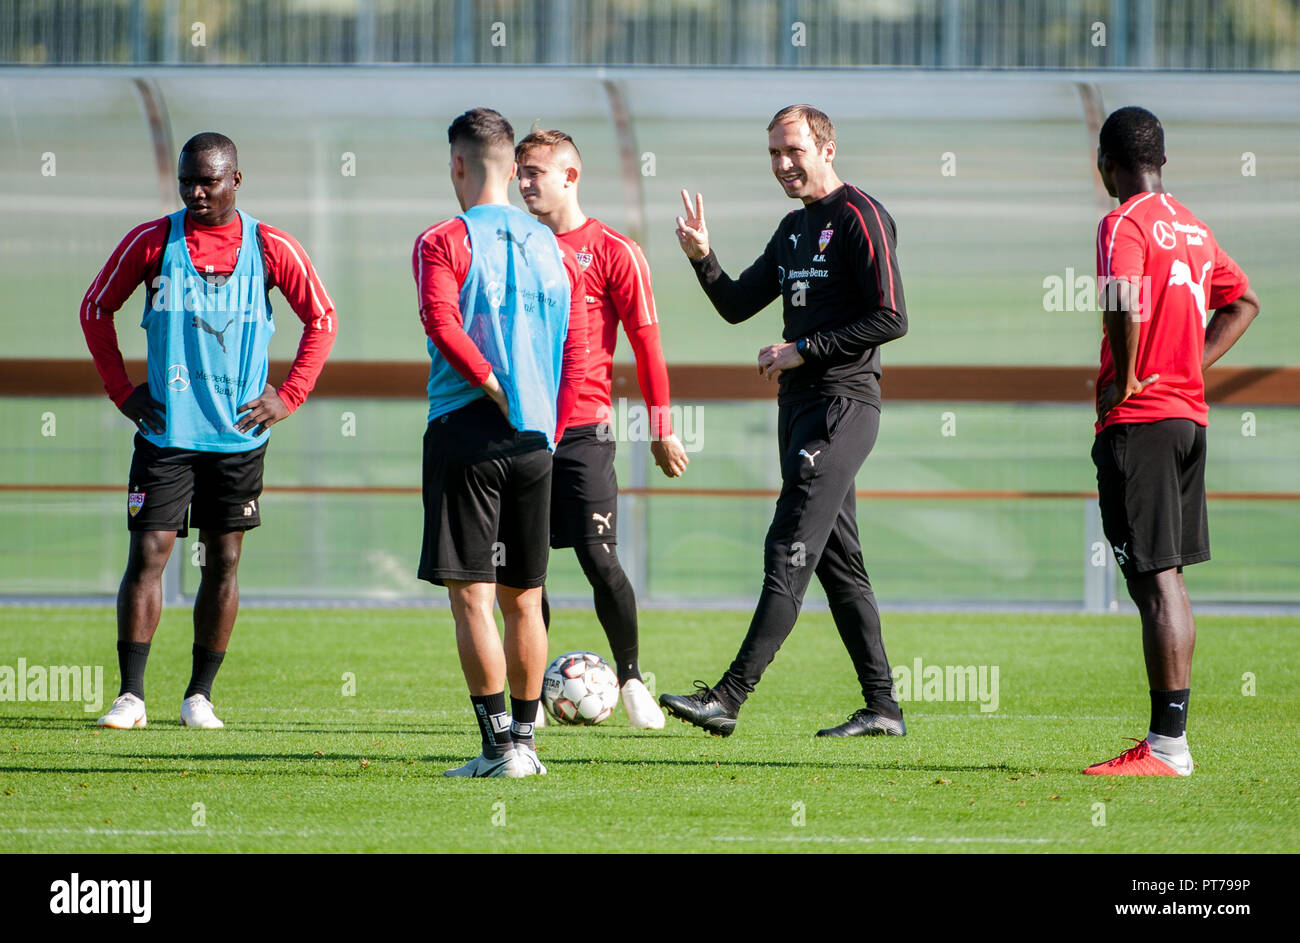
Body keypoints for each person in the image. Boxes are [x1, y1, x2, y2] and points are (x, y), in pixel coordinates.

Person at [660, 104, 907, 738]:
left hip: (842, 404)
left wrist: (805, 349)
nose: (782, 164)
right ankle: (882, 707)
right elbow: (739, 305)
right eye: (773, 153)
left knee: (789, 543)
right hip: (798, 407)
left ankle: (730, 696)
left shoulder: (861, 217)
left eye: (793, 150)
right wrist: (703, 257)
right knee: (837, 560)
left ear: (827, 147)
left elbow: (891, 318)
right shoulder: (794, 229)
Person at [81, 132, 337, 730]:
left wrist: (289, 396)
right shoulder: (151, 241)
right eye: (187, 181)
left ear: (236, 182)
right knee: (149, 553)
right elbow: (96, 307)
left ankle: (200, 695)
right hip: (167, 434)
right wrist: (122, 391)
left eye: (209, 182)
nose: (196, 192)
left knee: (222, 560)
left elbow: (321, 318)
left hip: (238, 438)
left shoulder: (270, 246)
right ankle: (132, 695)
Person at [1084, 106, 1259, 776]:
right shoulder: (1192, 225)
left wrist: (1127, 380)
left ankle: (1167, 747)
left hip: (1145, 421)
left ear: (1109, 163)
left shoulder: (1123, 221)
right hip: (1188, 417)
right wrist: (1189, 361)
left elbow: (1123, 297)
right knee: (1168, 578)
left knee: (1155, 580)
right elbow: (1242, 302)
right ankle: (1169, 740)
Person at [414, 108, 588, 777]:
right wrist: (551, 424)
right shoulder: (552, 244)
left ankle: (497, 748)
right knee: (524, 598)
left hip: (468, 432)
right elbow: (576, 352)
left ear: (458, 165)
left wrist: (490, 381)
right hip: (538, 440)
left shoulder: (442, 239)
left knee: (472, 597)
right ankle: (526, 742)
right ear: (513, 167)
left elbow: (440, 320)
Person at [515, 128, 689, 729]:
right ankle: (531, 695)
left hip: (586, 430)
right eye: (520, 171)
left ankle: (634, 678)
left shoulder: (614, 249)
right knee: (525, 568)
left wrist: (663, 427)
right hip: (524, 431)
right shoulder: (513, 245)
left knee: (598, 556)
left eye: (536, 171)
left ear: (571, 176)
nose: (524, 181)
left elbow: (647, 343)